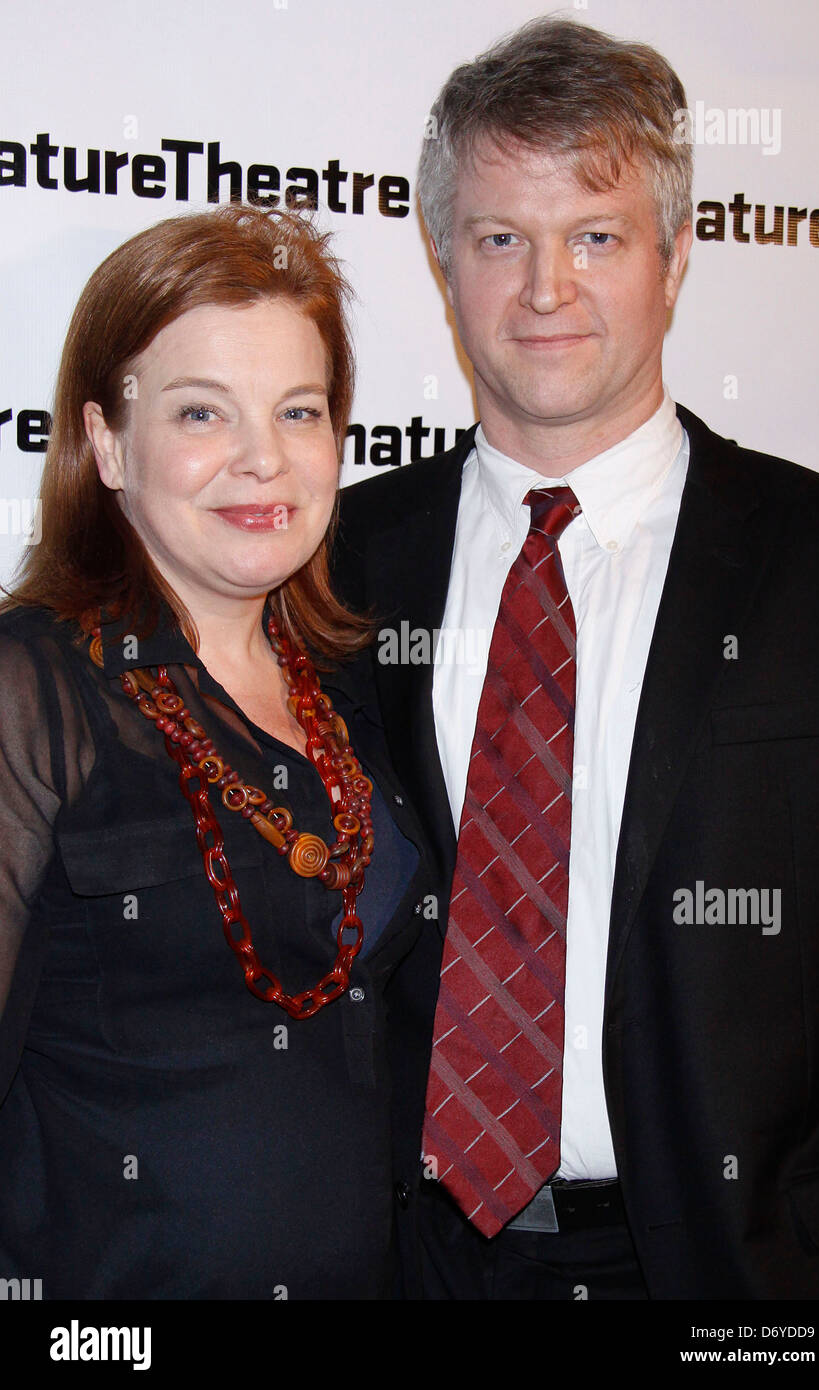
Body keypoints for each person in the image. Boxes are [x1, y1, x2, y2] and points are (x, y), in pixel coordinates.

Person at [333, 16, 819, 1299]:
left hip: (743, 1275)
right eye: (501, 238)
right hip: (407, 1265)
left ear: (677, 256)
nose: (544, 289)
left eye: (596, 237)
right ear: (442, 255)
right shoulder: (334, 564)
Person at [0, 204, 434, 1300]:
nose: (262, 459)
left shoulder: (348, 688)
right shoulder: (30, 690)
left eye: (299, 410)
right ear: (105, 442)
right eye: (202, 412)